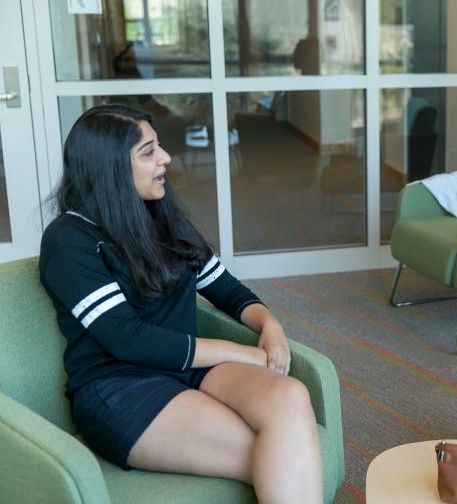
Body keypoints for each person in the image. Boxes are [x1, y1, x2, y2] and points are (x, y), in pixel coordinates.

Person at [39, 104, 323, 503]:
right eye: (149, 151)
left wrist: (269, 324)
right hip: (120, 385)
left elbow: (227, 289)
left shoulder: (160, 215)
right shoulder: (69, 240)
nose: (166, 158)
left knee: (291, 397)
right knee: (274, 448)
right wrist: (244, 354)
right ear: (110, 168)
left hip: (187, 369)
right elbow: (127, 339)